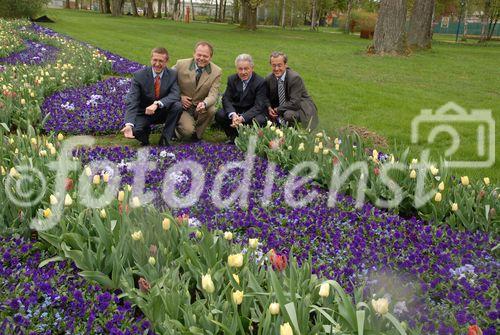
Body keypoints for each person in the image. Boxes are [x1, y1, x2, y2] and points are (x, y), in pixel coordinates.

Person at [121, 47, 182, 146]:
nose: (157, 64)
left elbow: (175, 95)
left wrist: (157, 104)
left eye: (161, 61)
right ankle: (145, 138)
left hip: (162, 111)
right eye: (155, 60)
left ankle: (165, 138)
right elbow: (132, 100)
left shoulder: (172, 74)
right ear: (151, 59)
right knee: (135, 131)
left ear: (166, 61)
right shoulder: (139, 75)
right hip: (144, 112)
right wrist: (128, 124)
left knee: (177, 106)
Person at [173, 41, 222, 141]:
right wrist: (179, 96)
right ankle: (175, 130)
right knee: (187, 131)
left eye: (205, 56)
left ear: (210, 57)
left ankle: (197, 136)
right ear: (194, 53)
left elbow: (213, 95)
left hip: (199, 107)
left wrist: (204, 103)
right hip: (182, 106)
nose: (202, 58)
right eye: (199, 55)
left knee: (211, 109)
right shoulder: (180, 64)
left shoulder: (216, 71)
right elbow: (168, 83)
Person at [215, 53, 267, 143]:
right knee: (220, 114)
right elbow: (226, 99)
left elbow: (259, 106)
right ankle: (233, 137)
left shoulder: (260, 82)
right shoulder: (232, 79)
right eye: (240, 69)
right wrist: (233, 114)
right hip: (236, 112)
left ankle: (249, 140)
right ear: (237, 69)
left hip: (252, 113)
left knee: (260, 120)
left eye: (246, 69)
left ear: (252, 68)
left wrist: (243, 117)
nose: (243, 72)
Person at [265, 51, 318, 130]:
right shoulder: (269, 78)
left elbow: (295, 103)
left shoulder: (294, 78)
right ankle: (278, 130)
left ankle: (293, 133)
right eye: (274, 65)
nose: (276, 69)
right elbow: (264, 96)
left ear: (286, 65)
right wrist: (269, 108)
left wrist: (277, 109)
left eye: (279, 65)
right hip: (284, 106)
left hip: (300, 107)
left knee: (288, 115)